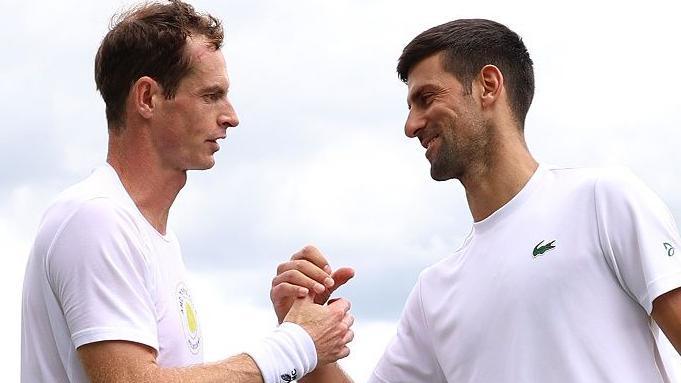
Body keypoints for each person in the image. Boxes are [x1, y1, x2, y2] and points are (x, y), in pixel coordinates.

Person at [270, 19, 681, 382]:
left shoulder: (602, 201)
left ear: (488, 86)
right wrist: (303, 339)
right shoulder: (435, 290)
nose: (411, 126)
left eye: (426, 99)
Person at [21, 1, 355, 382]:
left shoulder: (152, 236)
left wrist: (304, 338)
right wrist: (297, 343)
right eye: (211, 95)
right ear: (147, 98)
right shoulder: (95, 217)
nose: (231, 116)